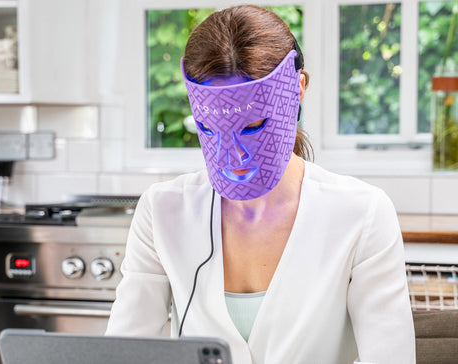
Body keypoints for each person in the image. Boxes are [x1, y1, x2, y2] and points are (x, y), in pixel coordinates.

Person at [106, 5, 415, 364]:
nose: (232, 155)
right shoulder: (162, 209)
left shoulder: (363, 212)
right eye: (208, 128)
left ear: (298, 89)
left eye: (252, 127)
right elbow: (125, 353)